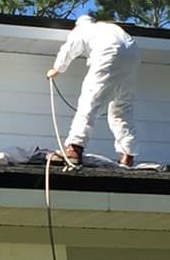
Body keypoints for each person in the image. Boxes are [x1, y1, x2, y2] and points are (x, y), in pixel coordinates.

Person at [46, 15, 140, 166]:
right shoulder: (106, 27)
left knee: (89, 101)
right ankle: (127, 155)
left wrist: (57, 69)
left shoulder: (82, 29)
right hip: (132, 55)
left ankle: (74, 148)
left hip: (109, 52)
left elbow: (69, 48)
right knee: (122, 106)